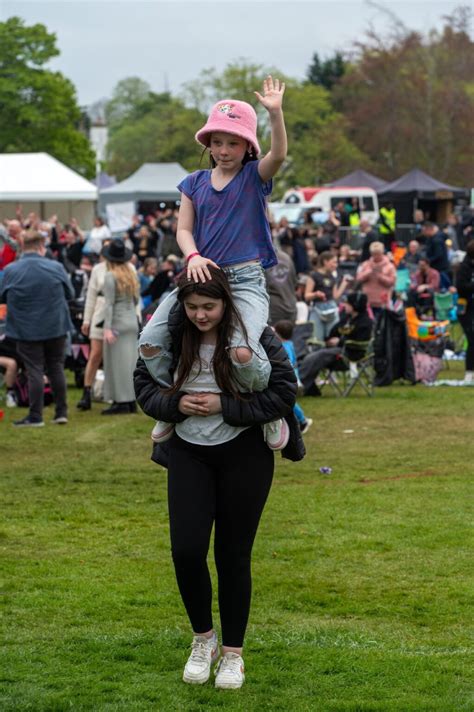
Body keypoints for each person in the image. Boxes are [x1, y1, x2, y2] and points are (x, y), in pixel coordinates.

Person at [134, 268, 304, 690]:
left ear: (227, 301)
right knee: (186, 551)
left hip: (245, 455)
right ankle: (202, 640)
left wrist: (225, 405)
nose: (200, 315)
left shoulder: (254, 334)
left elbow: (284, 392)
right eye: (191, 307)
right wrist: (176, 404)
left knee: (233, 556)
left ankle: (233, 655)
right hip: (189, 454)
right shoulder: (173, 335)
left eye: (208, 306)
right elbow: (143, 385)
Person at [139, 76, 289, 450]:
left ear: (247, 146)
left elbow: (280, 156)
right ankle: (171, 403)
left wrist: (275, 114)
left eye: (233, 142)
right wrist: (193, 255)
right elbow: (183, 230)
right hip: (200, 276)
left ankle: (266, 409)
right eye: (217, 142)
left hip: (244, 280)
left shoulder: (254, 177)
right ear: (208, 144)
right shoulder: (193, 183)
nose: (223, 149)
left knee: (241, 351)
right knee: (150, 342)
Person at [0, 231, 74, 426]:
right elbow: (70, 293)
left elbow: (2, 297)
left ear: (23, 247)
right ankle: (61, 412)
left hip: (26, 329)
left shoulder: (11, 270)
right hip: (55, 326)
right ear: (42, 247)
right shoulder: (56, 267)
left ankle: (36, 416)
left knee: (34, 370)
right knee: (56, 367)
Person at [299, 292, 374, 396]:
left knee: (318, 356)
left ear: (355, 305)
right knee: (306, 356)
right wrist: (331, 340)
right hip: (336, 352)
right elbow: (333, 332)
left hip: (350, 355)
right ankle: (308, 389)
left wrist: (340, 341)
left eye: (347, 303)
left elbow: (361, 342)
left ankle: (298, 385)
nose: (344, 305)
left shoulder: (366, 322)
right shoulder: (347, 318)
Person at [101, 239, 140, 415]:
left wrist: (107, 328)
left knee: (116, 364)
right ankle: (131, 400)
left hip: (117, 322)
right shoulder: (131, 275)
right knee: (130, 364)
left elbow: (108, 304)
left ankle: (121, 401)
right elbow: (136, 300)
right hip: (132, 321)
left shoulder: (110, 276)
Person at [273, 320, 312, 433]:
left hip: (289, 379)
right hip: (291, 378)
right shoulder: (289, 344)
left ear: (278, 334)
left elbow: (288, 363)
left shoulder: (285, 347)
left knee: (289, 401)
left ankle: (303, 421)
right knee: (285, 401)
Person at [305, 251, 352, 343]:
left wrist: (344, 284)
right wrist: (315, 294)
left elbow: (335, 296)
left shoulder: (332, 276)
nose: (336, 265)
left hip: (331, 308)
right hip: (317, 309)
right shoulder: (314, 275)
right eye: (334, 262)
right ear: (325, 261)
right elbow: (306, 296)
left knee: (333, 337)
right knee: (317, 339)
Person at [356, 241, 396, 318]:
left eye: (378, 254)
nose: (376, 256)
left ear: (382, 253)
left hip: (382, 301)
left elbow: (392, 282)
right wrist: (369, 272)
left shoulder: (390, 266)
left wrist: (380, 276)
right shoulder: (365, 264)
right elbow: (358, 278)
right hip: (368, 301)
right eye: (374, 254)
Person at [456, 240, 474, 383]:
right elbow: (461, 287)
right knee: (472, 340)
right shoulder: (464, 267)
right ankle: (469, 373)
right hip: (466, 308)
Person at [265, 246, 297, 325]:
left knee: (276, 336)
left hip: (274, 310)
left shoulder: (262, 260)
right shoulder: (286, 257)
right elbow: (294, 282)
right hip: (291, 306)